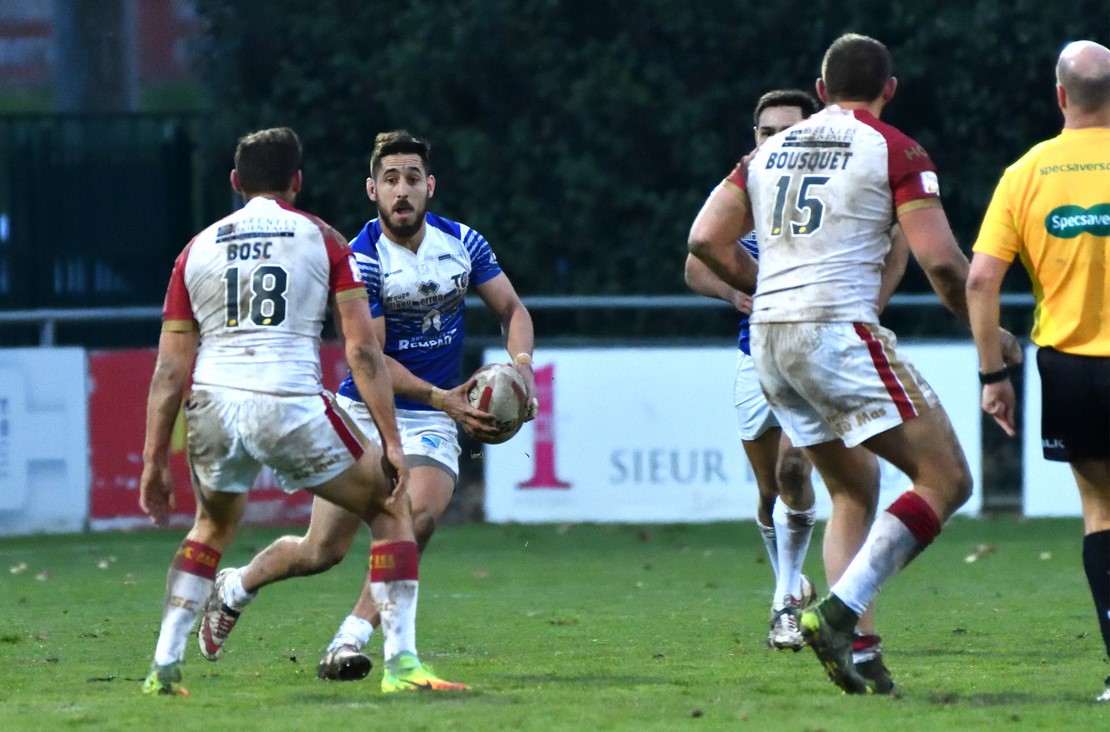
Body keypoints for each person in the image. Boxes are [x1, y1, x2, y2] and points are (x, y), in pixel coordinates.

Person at [690, 33, 1021, 695]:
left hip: (769, 339)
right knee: (948, 479)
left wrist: (769, 287)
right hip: (835, 330)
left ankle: (861, 651)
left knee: (853, 490)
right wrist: (992, 335)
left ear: (820, 91)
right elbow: (942, 264)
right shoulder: (894, 148)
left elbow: (704, 238)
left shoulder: (766, 152)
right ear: (889, 89)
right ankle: (839, 613)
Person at [196, 130, 536, 685]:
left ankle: (349, 639)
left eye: (412, 179)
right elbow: (370, 358)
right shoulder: (361, 258)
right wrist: (442, 396)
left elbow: (513, 309)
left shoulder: (463, 243)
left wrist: (521, 366)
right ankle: (236, 586)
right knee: (320, 551)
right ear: (372, 190)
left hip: (431, 418)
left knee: (416, 518)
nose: (402, 190)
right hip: (365, 412)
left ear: (430, 186)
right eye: (390, 179)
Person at [139, 127, 464, 696]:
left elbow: (169, 371)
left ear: (235, 182)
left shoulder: (196, 249)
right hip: (288, 405)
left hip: (213, 407)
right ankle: (401, 665)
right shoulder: (325, 240)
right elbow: (363, 351)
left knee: (210, 527)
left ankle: (163, 667)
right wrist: (391, 442)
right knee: (392, 510)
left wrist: (153, 461)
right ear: (297, 181)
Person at [688, 89, 908, 669]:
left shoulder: (832, 190)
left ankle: (786, 601)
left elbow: (896, 241)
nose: (775, 139)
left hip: (813, 356)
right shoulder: (749, 189)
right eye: (767, 131)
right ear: (754, 136)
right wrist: (737, 291)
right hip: (754, 357)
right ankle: (791, 582)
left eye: (787, 129)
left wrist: (867, 306)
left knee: (795, 469)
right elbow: (695, 262)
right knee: (770, 492)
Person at [966, 40, 1110, 703]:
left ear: (1060, 95)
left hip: (1070, 367)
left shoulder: (1026, 173)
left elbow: (980, 281)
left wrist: (992, 376)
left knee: (1100, 510)